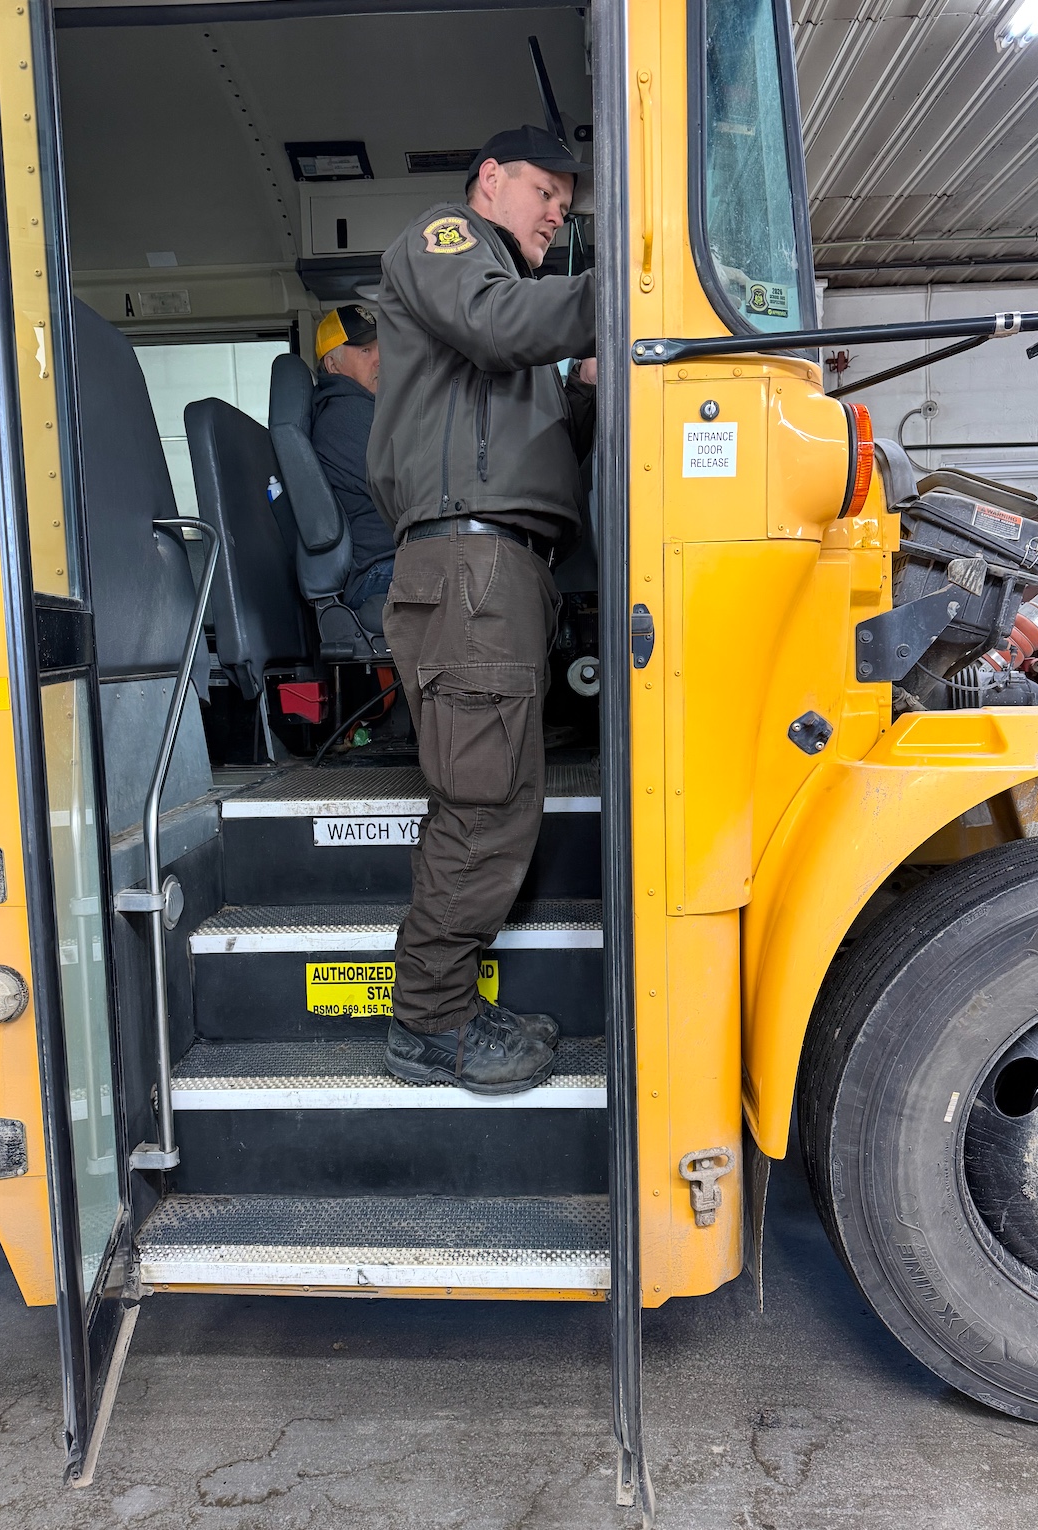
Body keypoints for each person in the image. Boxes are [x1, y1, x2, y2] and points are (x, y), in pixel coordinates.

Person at [366, 125, 597, 1095]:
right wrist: (643, 281)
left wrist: (581, 392)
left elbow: (530, 434)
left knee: (500, 801)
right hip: (470, 571)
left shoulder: (510, 314)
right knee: (482, 806)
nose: (556, 213)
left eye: (566, 205)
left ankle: (451, 1004)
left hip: (504, 573)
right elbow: (505, 329)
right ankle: (428, 1024)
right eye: (545, 191)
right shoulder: (446, 245)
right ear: (490, 180)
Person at [310, 303, 396, 609]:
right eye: (364, 351)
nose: (379, 360)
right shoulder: (345, 415)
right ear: (333, 366)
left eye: (379, 348)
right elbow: (405, 485)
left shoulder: (366, 409)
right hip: (379, 572)